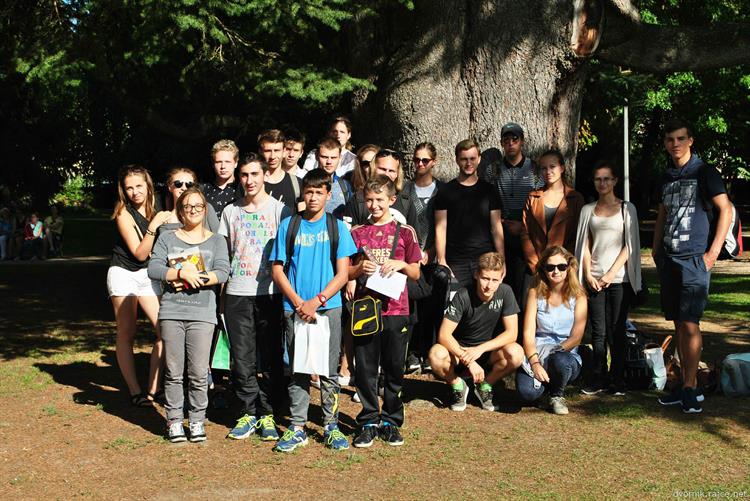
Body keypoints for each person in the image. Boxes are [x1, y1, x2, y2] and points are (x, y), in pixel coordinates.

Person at [270, 168, 358, 452]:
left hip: (328, 308)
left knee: (328, 369)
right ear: (302, 194)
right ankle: (297, 426)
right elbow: (277, 269)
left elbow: (343, 273)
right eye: (308, 192)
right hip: (294, 308)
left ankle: (330, 425)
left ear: (328, 195)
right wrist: (298, 302)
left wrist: (316, 301)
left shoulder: (337, 227)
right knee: (298, 368)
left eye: (319, 192)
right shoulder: (289, 225)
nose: (313, 197)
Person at [653, 118, 732, 414]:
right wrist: (657, 250)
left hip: (695, 258)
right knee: (677, 322)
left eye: (680, 138)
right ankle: (685, 386)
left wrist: (712, 253)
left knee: (690, 323)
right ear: (665, 143)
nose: (675, 144)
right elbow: (662, 214)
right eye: (670, 139)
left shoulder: (705, 171)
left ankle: (690, 386)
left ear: (690, 141)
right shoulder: (666, 177)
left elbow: (726, 209)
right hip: (670, 259)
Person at [148, 188, 230, 442]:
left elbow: (224, 272)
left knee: (197, 372)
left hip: (203, 313)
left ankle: (196, 419)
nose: (192, 211)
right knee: (173, 371)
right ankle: (173, 421)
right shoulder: (167, 237)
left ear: (205, 210)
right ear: (180, 211)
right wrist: (181, 274)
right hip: (172, 311)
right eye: (187, 207)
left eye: (198, 206)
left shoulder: (216, 240)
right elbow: (154, 267)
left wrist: (197, 279)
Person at [347, 175, 422, 447]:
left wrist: (399, 264)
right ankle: (368, 419)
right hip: (366, 308)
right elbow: (345, 270)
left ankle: (391, 420)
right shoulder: (355, 232)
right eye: (369, 199)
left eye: (380, 199)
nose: (374, 205)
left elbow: (416, 271)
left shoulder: (405, 232)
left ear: (392, 200)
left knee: (394, 367)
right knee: (365, 367)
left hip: (396, 308)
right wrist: (358, 271)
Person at [221, 154, 291, 442]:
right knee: (242, 357)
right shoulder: (230, 212)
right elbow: (224, 255)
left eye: (254, 174)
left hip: (270, 294)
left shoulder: (279, 210)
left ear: (264, 176)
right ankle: (247, 412)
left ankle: (269, 413)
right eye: (244, 175)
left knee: (272, 356)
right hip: (238, 292)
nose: (249, 181)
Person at [574, 162, 642, 395]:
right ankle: (598, 376)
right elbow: (584, 244)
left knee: (617, 329)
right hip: (593, 278)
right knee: (598, 330)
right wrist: (587, 273)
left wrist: (611, 273)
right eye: (598, 179)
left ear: (614, 181)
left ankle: (618, 378)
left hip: (619, 278)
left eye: (606, 179)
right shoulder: (587, 210)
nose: (602, 183)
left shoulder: (626, 209)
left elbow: (630, 245)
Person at [108, 165, 172, 407]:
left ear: (148, 185)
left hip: (148, 274)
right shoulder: (123, 212)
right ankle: (135, 391)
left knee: (165, 330)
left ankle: (153, 390)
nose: (135, 192)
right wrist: (155, 225)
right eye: (129, 188)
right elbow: (138, 252)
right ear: (123, 191)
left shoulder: (157, 209)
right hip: (123, 272)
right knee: (127, 331)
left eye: (139, 186)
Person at [428, 252, 523, 411]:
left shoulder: (506, 292)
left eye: (494, 280)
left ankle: (485, 386)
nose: (489, 285)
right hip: (460, 352)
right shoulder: (463, 295)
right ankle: (458, 385)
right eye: (485, 278)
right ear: (476, 275)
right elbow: (444, 335)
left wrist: (481, 349)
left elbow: (512, 333)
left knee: (516, 353)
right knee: (435, 355)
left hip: (488, 352)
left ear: (501, 278)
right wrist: (469, 360)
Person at [516, 246, 587, 415]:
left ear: (569, 267)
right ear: (543, 269)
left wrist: (553, 353)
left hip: (564, 352)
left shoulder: (579, 296)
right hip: (537, 352)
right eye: (550, 267)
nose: (556, 271)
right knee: (526, 393)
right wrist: (534, 362)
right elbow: (528, 333)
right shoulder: (534, 293)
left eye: (561, 267)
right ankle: (545, 390)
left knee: (560, 362)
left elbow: (576, 336)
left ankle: (557, 394)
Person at [483, 123, 543, 303]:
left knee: (525, 288)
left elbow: (540, 204)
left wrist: (524, 226)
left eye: (514, 139)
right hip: (500, 234)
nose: (510, 143)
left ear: (522, 142)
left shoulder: (535, 169)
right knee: (500, 284)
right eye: (506, 139)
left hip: (528, 235)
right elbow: (486, 200)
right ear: (502, 143)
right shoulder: (493, 170)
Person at [434, 139, 505, 287]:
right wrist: (441, 260)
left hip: (486, 258)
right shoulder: (445, 192)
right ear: (457, 160)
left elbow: (496, 227)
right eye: (464, 159)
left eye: (472, 158)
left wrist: (502, 259)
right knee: (455, 307)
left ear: (479, 159)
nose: (468, 163)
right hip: (455, 261)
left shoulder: (490, 190)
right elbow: (440, 228)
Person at [520, 149, 584, 309]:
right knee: (530, 310)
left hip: (563, 268)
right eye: (543, 168)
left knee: (562, 311)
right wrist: (536, 264)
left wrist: (564, 264)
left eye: (552, 166)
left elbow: (578, 234)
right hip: (536, 266)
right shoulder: (533, 197)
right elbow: (525, 233)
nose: (548, 171)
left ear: (562, 168)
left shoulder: (575, 199)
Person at [404, 142, 444, 373]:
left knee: (433, 305)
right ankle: (410, 353)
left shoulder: (442, 190)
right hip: (409, 259)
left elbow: (447, 226)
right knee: (411, 306)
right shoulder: (405, 191)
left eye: (425, 160)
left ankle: (428, 352)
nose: (420, 164)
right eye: (417, 160)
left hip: (433, 257)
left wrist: (431, 251)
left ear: (434, 162)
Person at [345, 148, 418, 228]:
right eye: (382, 169)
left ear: (397, 174)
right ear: (373, 169)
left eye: (391, 171)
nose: (386, 174)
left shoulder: (406, 202)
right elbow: (348, 236)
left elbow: (414, 237)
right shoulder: (358, 201)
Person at [160, 167, 219, 235]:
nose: (184, 188)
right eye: (178, 184)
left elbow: (219, 238)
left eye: (189, 185)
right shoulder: (165, 218)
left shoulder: (206, 208)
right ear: (170, 187)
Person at [259, 129, 302, 212]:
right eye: (268, 151)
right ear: (260, 152)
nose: (272, 156)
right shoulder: (250, 183)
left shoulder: (297, 184)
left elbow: (303, 219)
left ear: (284, 151)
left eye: (277, 150)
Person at [316, 137, 354, 220]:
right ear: (317, 156)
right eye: (325, 157)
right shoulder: (305, 184)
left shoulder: (346, 186)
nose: (329, 162)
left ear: (340, 158)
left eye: (333, 158)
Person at [203, 139, 244, 215]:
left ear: (236, 163)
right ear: (213, 164)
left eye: (227, 162)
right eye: (218, 162)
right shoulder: (203, 190)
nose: (223, 166)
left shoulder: (243, 189)